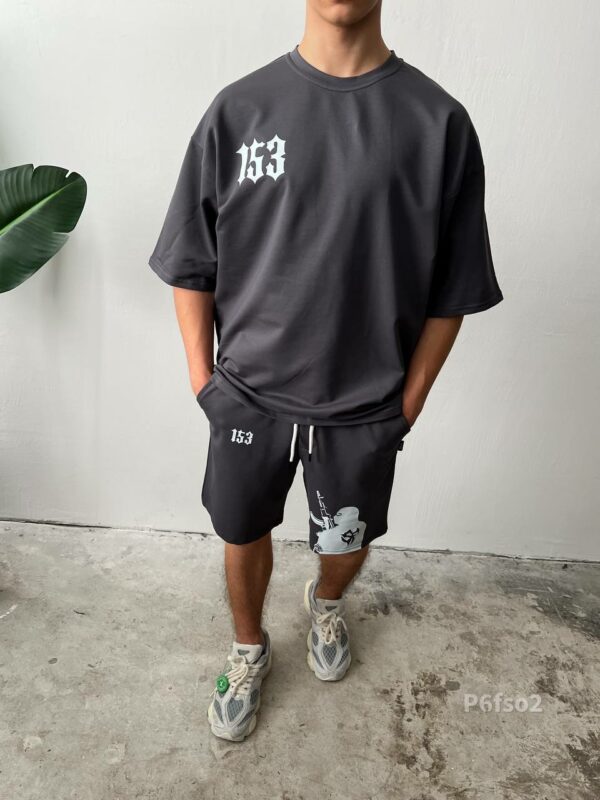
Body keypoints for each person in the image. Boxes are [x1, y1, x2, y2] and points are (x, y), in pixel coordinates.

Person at [148, 0, 503, 742]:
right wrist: (203, 382)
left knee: (344, 539)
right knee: (241, 529)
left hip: (366, 405)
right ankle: (248, 646)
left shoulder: (438, 122)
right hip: (247, 395)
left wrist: (407, 404)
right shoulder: (239, 110)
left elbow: (455, 289)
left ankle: (328, 604)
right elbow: (192, 260)